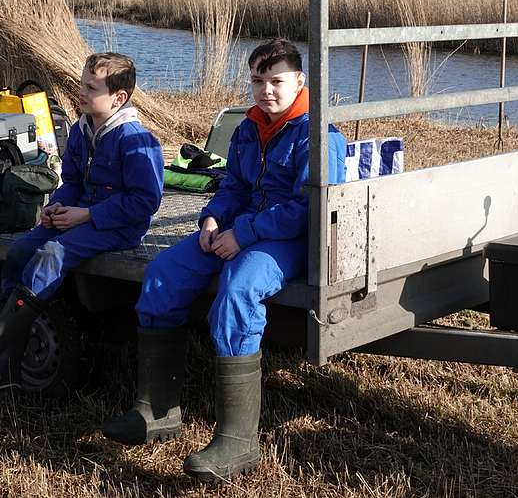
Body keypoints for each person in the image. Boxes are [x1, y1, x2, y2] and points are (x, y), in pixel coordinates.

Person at [102, 38, 347, 483]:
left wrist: (245, 234)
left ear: (299, 81)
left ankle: (237, 441)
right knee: (163, 275)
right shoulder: (249, 128)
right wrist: (213, 219)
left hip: (290, 239)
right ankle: (156, 410)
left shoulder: (319, 133)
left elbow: (308, 209)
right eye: (258, 81)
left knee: (237, 292)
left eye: (277, 81)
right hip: (238, 228)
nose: (266, 91)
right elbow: (232, 185)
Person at [0, 52, 164, 386]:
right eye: (82, 83)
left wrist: (88, 214)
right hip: (79, 215)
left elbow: (145, 201)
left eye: (91, 88)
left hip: (117, 227)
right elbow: (73, 181)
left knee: (51, 256)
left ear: (119, 98)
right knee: (21, 250)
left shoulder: (134, 139)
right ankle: (5, 365)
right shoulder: (81, 129)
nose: (81, 91)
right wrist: (57, 205)